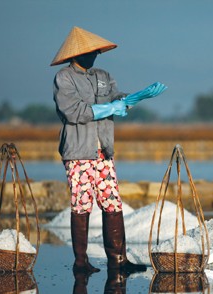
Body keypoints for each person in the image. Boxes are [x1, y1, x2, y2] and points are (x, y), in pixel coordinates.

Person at [51, 26, 163, 274]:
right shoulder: (64, 78)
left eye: (96, 52)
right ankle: (81, 262)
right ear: (76, 53)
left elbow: (116, 97)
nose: (95, 56)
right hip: (79, 151)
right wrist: (109, 108)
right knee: (81, 204)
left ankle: (118, 260)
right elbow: (74, 112)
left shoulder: (102, 75)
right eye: (90, 52)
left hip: (103, 151)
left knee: (112, 202)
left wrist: (137, 97)